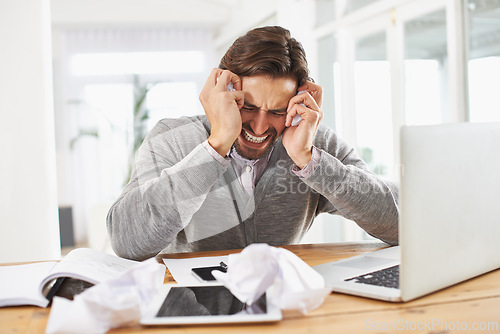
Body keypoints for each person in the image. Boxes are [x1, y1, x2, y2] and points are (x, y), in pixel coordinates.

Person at [107, 26, 399, 261]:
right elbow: (127, 242)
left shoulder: (312, 142)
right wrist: (216, 145)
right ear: (224, 91)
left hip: (281, 308)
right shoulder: (171, 138)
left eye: (277, 111)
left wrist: (310, 160)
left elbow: (403, 222)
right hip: (192, 314)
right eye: (247, 106)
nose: (260, 126)